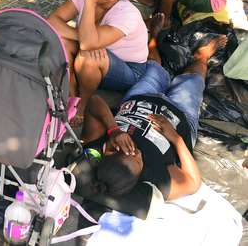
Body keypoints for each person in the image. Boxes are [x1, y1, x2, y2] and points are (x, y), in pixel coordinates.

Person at [80, 16, 225, 201]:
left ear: (110, 152)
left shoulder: (97, 147)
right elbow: (192, 183)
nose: (137, 153)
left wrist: (114, 130)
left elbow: (94, 101)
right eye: (138, 160)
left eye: (129, 152)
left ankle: (154, 38)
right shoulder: (154, 178)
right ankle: (202, 57)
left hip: (142, 99)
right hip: (179, 115)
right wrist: (175, 138)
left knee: (155, 70)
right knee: (192, 81)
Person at [47, 0, 148, 117]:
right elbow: (53, 21)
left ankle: (84, 103)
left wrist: (90, 3)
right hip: (98, 54)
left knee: (88, 56)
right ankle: (72, 93)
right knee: (62, 41)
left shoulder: (127, 14)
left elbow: (87, 44)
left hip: (129, 68)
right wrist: (80, 36)